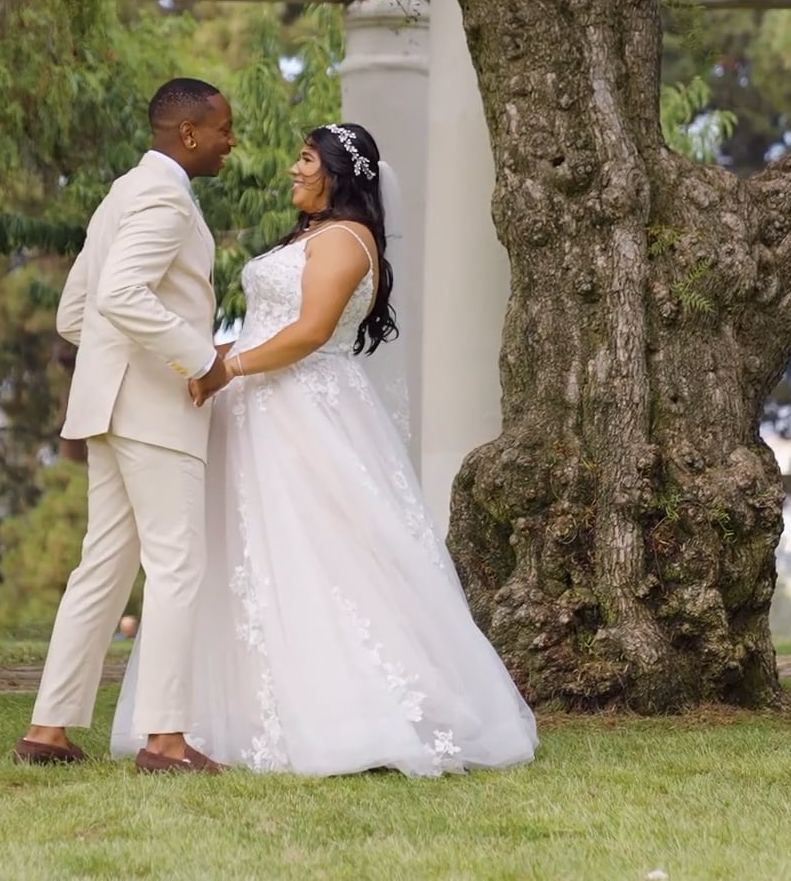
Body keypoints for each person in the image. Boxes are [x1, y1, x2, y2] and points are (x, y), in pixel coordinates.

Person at [110, 122, 539, 776]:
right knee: (252, 556)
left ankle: (353, 714)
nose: (292, 170)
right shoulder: (309, 236)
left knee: (318, 552)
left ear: (337, 172)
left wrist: (229, 368)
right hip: (258, 403)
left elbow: (310, 332)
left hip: (299, 408)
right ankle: (249, 711)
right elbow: (269, 324)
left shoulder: (345, 240)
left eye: (305, 159)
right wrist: (208, 358)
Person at [12, 78, 236, 774]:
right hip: (154, 410)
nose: (232, 141)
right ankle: (165, 742)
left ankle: (48, 730)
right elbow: (117, 296)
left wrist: (116, 364)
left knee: (103, 566)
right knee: (177, 565)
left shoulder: (121, 192)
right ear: (190, 134)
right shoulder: (166, 199)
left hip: (106, 406)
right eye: (224, 129)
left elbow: (75, 314)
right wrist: (201, 357)